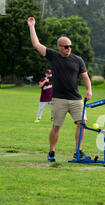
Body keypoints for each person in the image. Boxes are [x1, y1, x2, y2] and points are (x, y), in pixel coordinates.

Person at [27, 16, 92, 162]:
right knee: (56, 127)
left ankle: (78, 152)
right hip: (59, 99)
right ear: (59, 47)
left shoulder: (78, 60)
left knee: (82, 123)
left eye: (70, 46)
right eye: (65, 46)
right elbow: (36, 44)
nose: (68, 49)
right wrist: (32, 26)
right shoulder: (53, 56)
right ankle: (51, 152)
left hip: (76, 99)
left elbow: (85, 77)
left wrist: (89, 90)